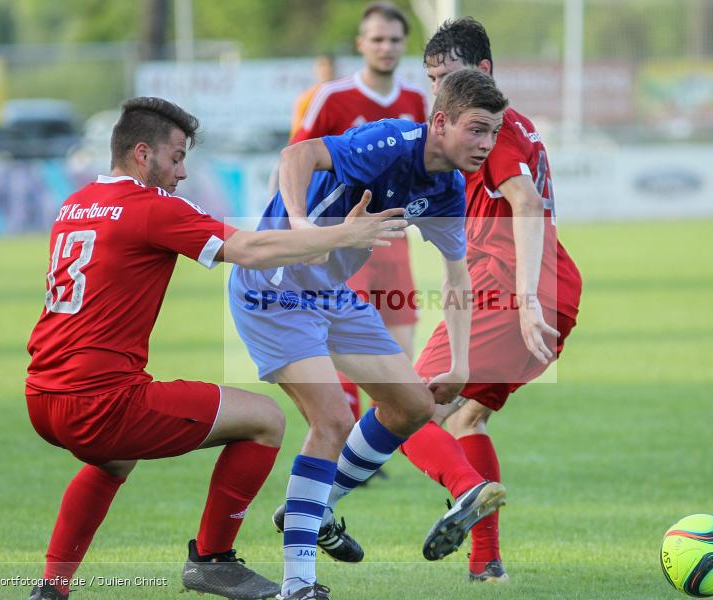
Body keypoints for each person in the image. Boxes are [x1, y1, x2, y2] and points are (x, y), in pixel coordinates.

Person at [24, 96, 408, 600]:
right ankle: (213, 560)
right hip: (100, 401)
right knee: (266, 419)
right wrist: (343, 234)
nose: (182, 172)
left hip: (41, 396)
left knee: (113, 459)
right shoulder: (150, 207)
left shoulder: (74, 203)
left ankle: (51, 587)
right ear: (143, 154)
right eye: (177, 156)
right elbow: (249, 250)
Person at [227, 70, 509, 600]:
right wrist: (304, 228)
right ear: (441, 122)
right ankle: (298, 585)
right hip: (274, 288)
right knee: (332, 421)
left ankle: (311, 507)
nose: (485, 144)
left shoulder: (448, 187)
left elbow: (455, 274)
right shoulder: (390, 142)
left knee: (412, 406)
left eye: (493, 133)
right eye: (476, 129)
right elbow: (296, 156)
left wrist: (463, 363)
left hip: (330, 293)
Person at [398, 18, 584, 583]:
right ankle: (487, 567)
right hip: (556, 286)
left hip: (508, 288)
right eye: (430, 78)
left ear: (482, 71)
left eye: (445, 74)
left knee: (404, 411)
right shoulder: (510, 123)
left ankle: (468, 490)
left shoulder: (490, 127)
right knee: (466, 417)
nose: (437, 91)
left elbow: (524, 202)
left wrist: (524, 301)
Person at [291, 1, 428, 424]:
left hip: (394, 239)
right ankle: (341, 439)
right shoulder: (332, 98)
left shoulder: (418, 99)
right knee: (349, 346)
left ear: (405, 44)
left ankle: (369, 448)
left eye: (394, 40)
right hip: (344, 240)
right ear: (361, 44)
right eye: (377, 39)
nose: (386, 47)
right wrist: (302, 228)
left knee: (402, 353)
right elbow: (294, 157)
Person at [289, 54, 336, 143]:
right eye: (322, 65)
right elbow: (297, 133)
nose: (327, 69)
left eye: (330, 65)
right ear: (315, 70)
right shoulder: (306, 98)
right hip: (316, 149)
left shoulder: (343, 95)